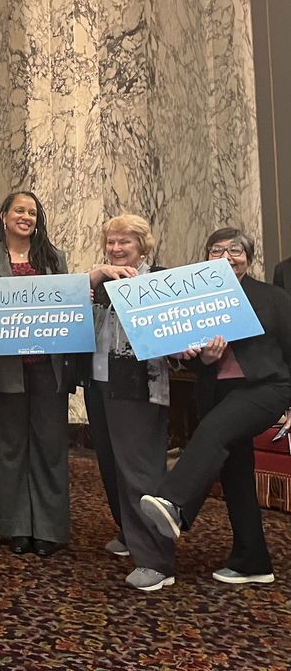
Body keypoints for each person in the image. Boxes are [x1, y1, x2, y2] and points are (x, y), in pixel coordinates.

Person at [141, 228, 291, 586]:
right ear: (207, 258)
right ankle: (252, 560)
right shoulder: (198, 301)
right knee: (236, 474)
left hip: (266, 388)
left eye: (236, 249)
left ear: (249, 257)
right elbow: (190, 360)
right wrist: (204, 357)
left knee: (212, 431)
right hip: (218, 393)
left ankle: (174, 502)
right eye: (216, 250)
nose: (227, 255)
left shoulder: (274, 298)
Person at [0, 191, 73, 557]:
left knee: (49, 448)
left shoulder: (53, 257)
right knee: (9, 448)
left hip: (48, 368)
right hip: (5, 370)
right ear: (3, 215)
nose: (26, 217)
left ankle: (48, 528)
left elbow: (65, 309)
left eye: (32, 212)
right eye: (19, 210)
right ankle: (15, 526)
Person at [74, 214, 175, 591]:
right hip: (99, 384)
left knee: (140, 472)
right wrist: (91, 282)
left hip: (139, 387)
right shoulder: (101, 283)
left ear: (142, 246)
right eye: (111, 242)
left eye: (125, 243)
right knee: (111, 466)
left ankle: (156, 561)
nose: (116, 249)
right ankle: (130, 533)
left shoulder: (160, 280)